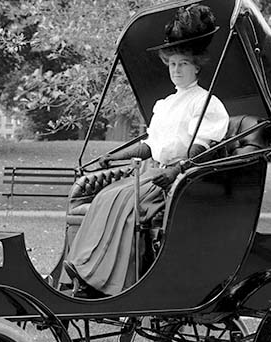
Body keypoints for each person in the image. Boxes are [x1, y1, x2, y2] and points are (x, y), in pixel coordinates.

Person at [63, 4, 229, 298]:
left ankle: (103, 281)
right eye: (173, 64)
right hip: (150, 171)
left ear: (197, 67)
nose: (176, 70)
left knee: (125, 205)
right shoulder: (165, 104)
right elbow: (151, 144)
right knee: (105, 196)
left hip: (174, 179)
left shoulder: (206, 103)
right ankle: (83, 268)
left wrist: (175, 170)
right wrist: (116, 157)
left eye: (183, 64)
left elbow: (203, 148)